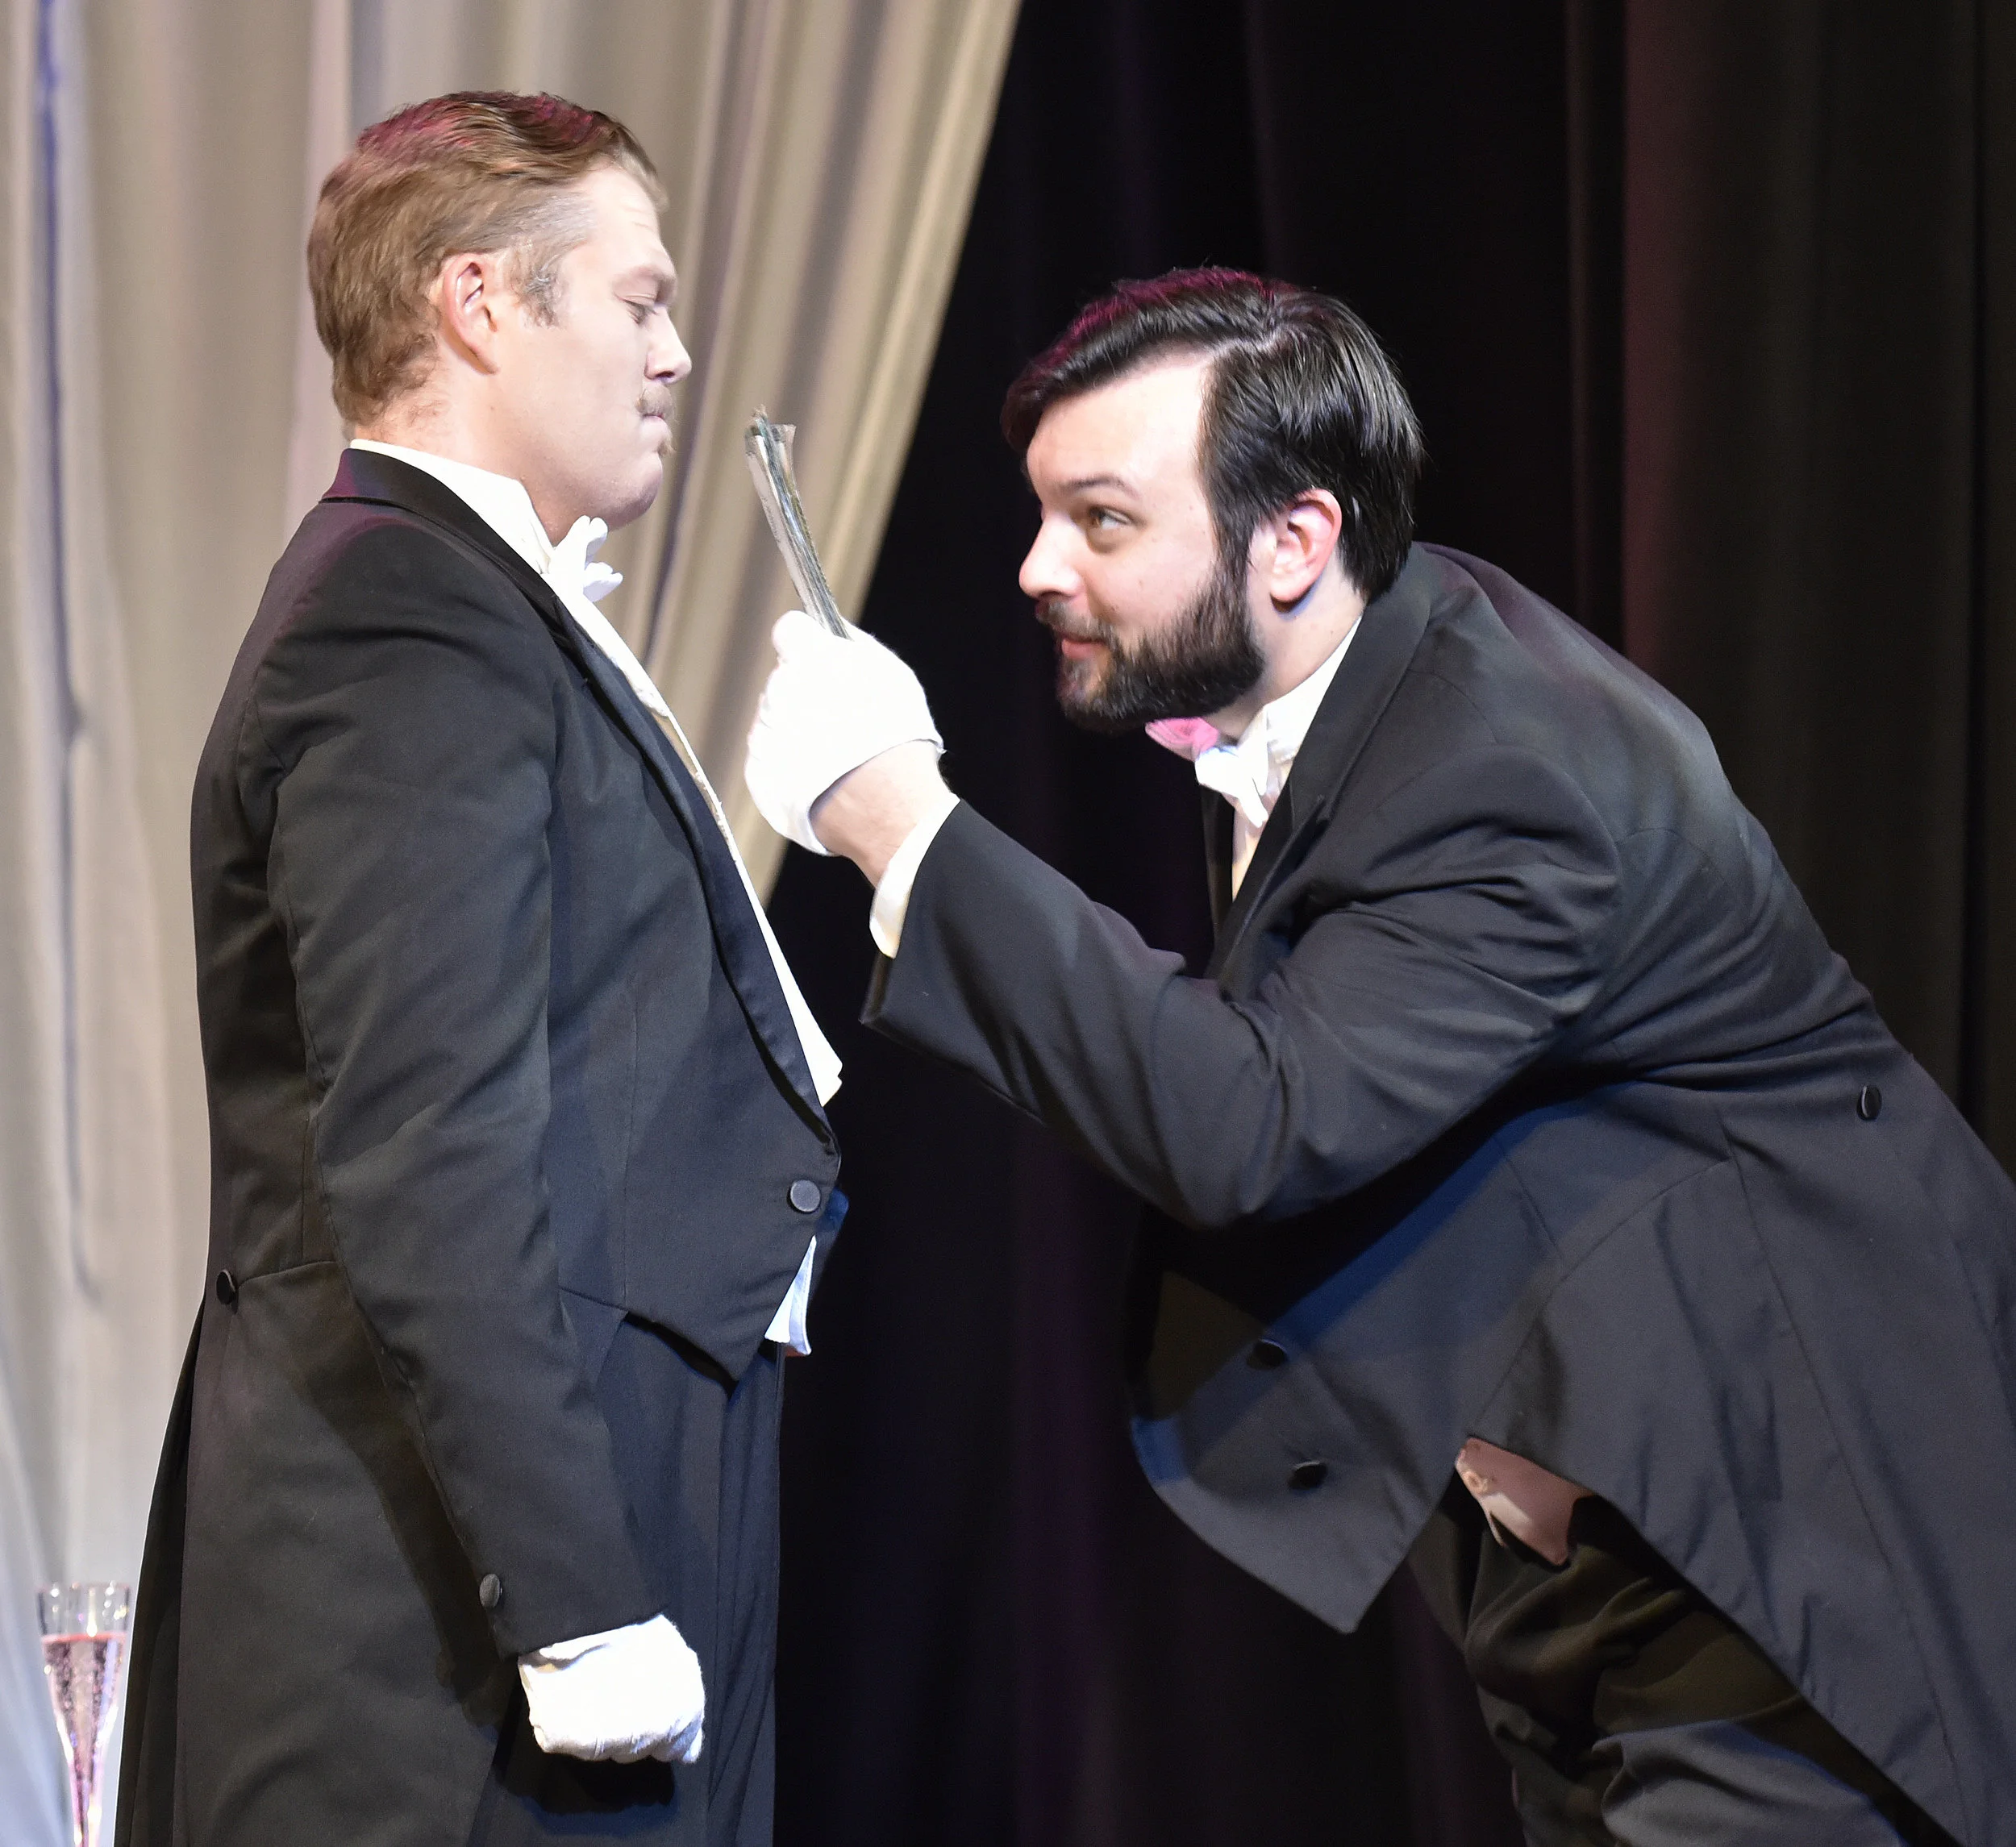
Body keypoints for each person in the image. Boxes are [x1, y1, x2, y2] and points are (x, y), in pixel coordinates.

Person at [744, 269, 2016, 1846]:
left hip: (1783, 1571)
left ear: (1292, 539)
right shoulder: (1358, 687)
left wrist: (899, 826)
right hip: (1603, 1582)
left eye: (1100, 519)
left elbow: (1249, 1116)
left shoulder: (1509, 760)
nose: (1035, 568)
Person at [117, 93, 854, 1847]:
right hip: (463, 1606)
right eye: (636, 302)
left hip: (568, 1511)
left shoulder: (462, 605)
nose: (675, 355)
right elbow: (423, 1144)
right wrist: (578, 1597)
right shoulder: (405, 616)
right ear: (475, 302)